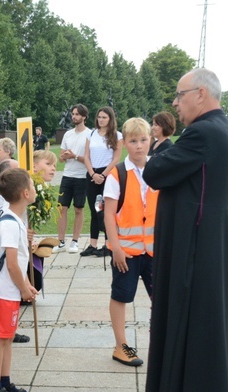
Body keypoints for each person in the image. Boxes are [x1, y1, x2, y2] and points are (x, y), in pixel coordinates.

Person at [143, 68, 228, 392]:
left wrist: (155, 156)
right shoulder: (226, 131)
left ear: (200, 94)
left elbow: (154, 172)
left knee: (191, 321)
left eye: (179, 95)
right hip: (209, 242)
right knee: (204, 323)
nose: (175, 102)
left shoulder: (201, 133)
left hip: (194, 247)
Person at [103, 117, 156, 368]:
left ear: (151, 140)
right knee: (121, 296)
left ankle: (160, 343)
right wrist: (117, 249)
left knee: (162, 298)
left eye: (143, 140)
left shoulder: (158, 169)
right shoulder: (118, 174)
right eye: (133, 141)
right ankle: (121, 345)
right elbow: (109, 215)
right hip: (127, 252)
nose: (139, 146)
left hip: (155, 250)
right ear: (124, 143)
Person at [0, 167, 37, 392]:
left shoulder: (14, 220)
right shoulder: (9, 223)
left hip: (9, 290)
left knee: (6, 338)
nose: (36, 190)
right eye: (33, 186)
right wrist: (24, 287)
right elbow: (12, 263)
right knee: (0, 339)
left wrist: (26, 286)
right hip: (3, 291)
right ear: (26, 193)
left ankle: (4, 381)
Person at [82, 106, 123, 257]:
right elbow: (86, 156)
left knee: (106, 211)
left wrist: (103, 175)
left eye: (104, 117)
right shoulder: (92, 134)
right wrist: (93, 174)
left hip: (108, 174)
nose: (101, 120)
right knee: (94, 209)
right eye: (99, 117)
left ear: (110, 119)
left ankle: (108, 244)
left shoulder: (117, 136)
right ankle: (92, 244)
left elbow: (116, 158)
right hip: (92, 174)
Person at [55, 104, 91, 254]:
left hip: (82, 177)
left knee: (78, 209)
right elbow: (62, 158)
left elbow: (90, 160)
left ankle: (75, 241)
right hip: (67, 176)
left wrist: (74, 156)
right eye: (73, 114)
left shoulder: (90, 134)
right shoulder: (68, 134)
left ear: (84, 117)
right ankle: (61, 241)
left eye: (77, 114)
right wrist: (64, 156)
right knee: (61, 208)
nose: (74, 116)